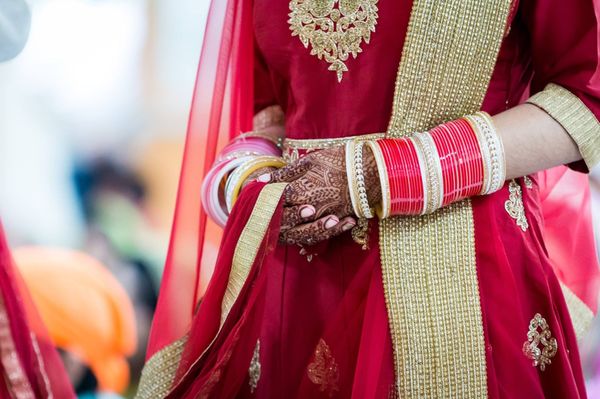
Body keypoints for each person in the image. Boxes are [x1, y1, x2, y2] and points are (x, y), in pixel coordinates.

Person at [137, 0, 600, 397]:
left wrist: (381, 173)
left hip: (462, 283)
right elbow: (276, 106)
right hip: (298, 287)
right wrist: (247, 175)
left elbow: (586, 100)